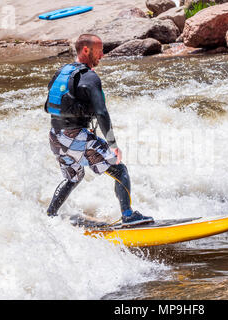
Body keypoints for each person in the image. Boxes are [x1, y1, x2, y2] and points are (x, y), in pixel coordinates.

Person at [45, 34, 153, 227]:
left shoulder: (63, 71)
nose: (102, 55)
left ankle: (49, 215)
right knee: (120, 170)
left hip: (56, 136)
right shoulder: (89, 77)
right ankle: (128, 216)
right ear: (86, 50)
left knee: (73, 177)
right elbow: (102, 113)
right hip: (74, 136)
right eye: (99, 50)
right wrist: (113, 145)